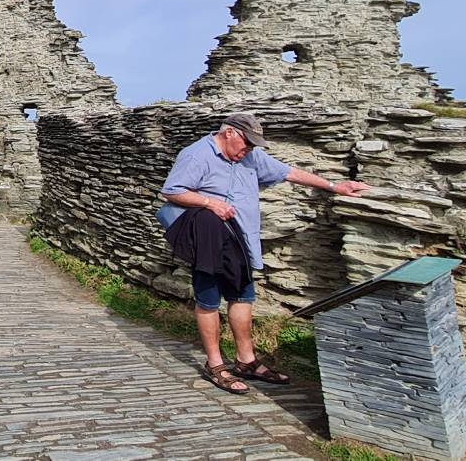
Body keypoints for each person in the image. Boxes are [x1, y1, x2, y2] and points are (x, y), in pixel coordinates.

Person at [158, 111, 370, 395]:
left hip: (242, 238)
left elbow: (288, 172)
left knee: (243, 296)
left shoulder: (249, 156)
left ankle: (246, 360)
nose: (248, 150)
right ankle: (215, 363)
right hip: (208, 239)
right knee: (208, 299)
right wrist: (210, 203)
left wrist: (334, 186)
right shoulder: (197, 154)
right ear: (229, 133)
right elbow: (172, 191)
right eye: (246, 143)